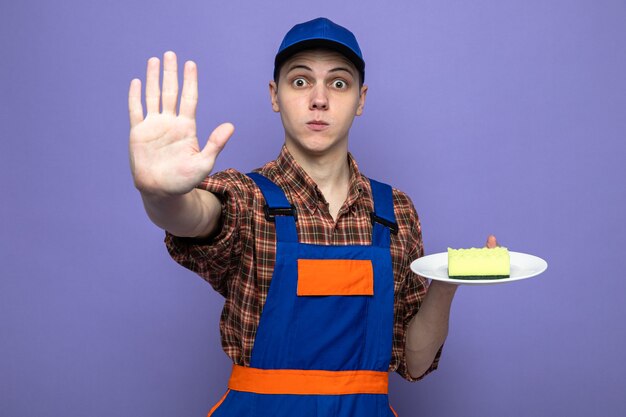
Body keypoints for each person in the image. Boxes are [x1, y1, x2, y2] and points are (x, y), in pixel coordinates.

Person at [128, 17, 497, 417]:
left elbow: (415, 362)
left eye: (338, 83)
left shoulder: (395, 213)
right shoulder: (247, 198)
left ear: (361, 99)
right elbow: (194, 215)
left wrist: (445, 286)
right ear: (275, 94)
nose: (318, 99)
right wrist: (161, 195)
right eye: (300, 81)